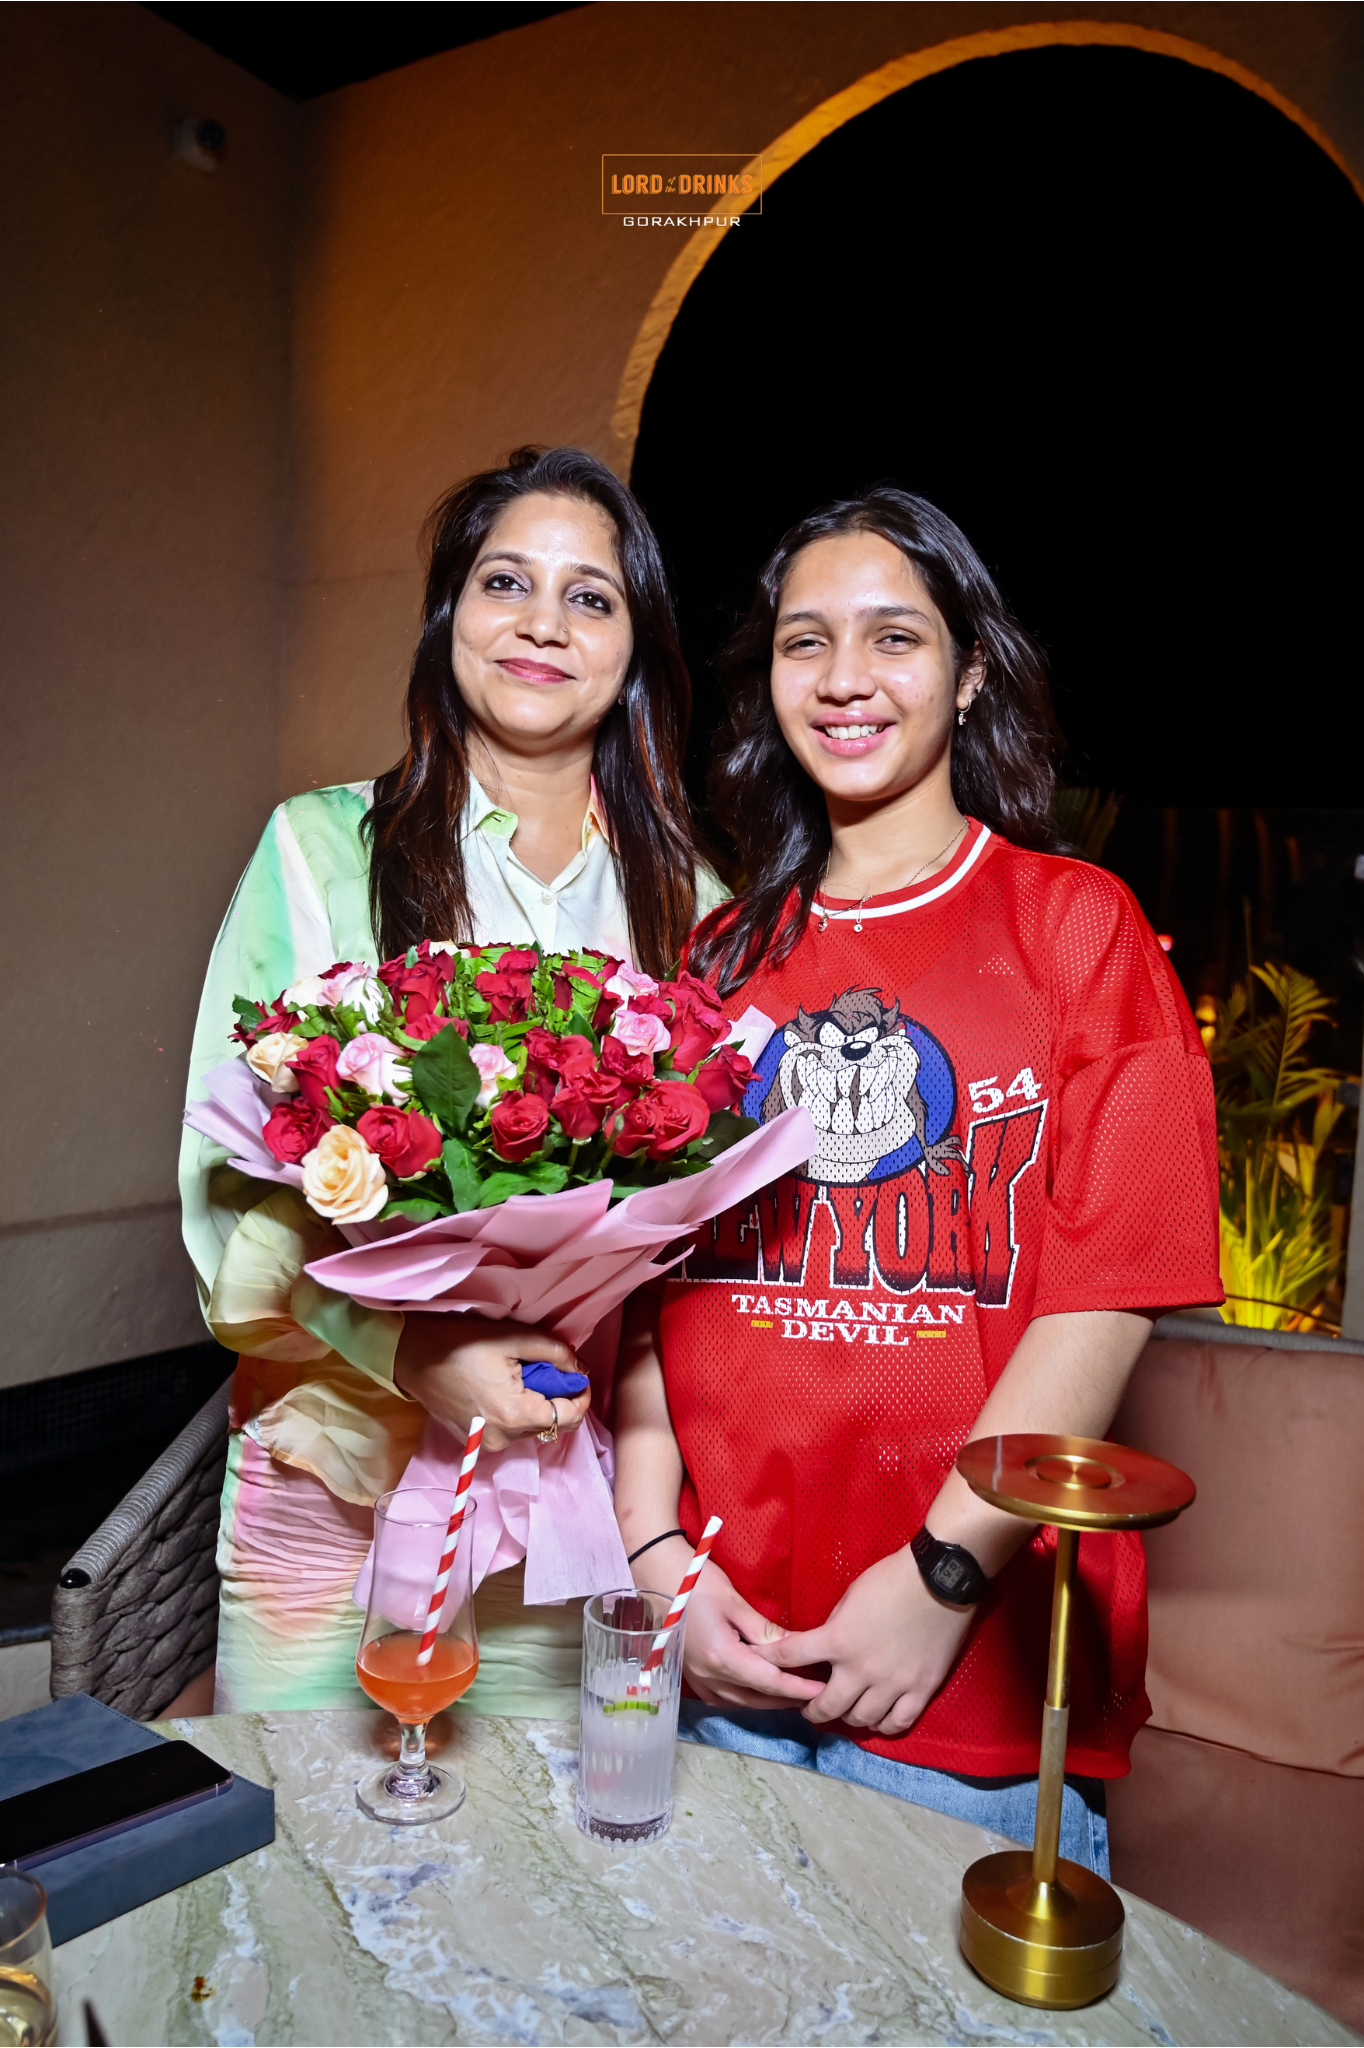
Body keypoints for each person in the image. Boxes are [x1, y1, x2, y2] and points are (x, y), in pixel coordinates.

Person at [611, 488, 1223, 1875]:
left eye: (893, 637)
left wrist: (943, 1578)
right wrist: (656, 1561)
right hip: (719, 1655)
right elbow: (644, 1287)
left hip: (964, 1694)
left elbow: (1105, 1297)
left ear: (970, 671)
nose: (844, 677)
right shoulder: (712, 959)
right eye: (804, 641)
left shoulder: (1077, 926)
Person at [182, 446, 725, 1715]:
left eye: (589, 596)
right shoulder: (322, 848)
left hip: (568, 1497)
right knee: (305, 1826)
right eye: (504, 581)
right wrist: (413, 1345)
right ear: (449, 616)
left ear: (635, 647)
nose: (542, 622)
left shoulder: (694, 905)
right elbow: (224, 1205)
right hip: (328, 1483)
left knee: (537, 1831)